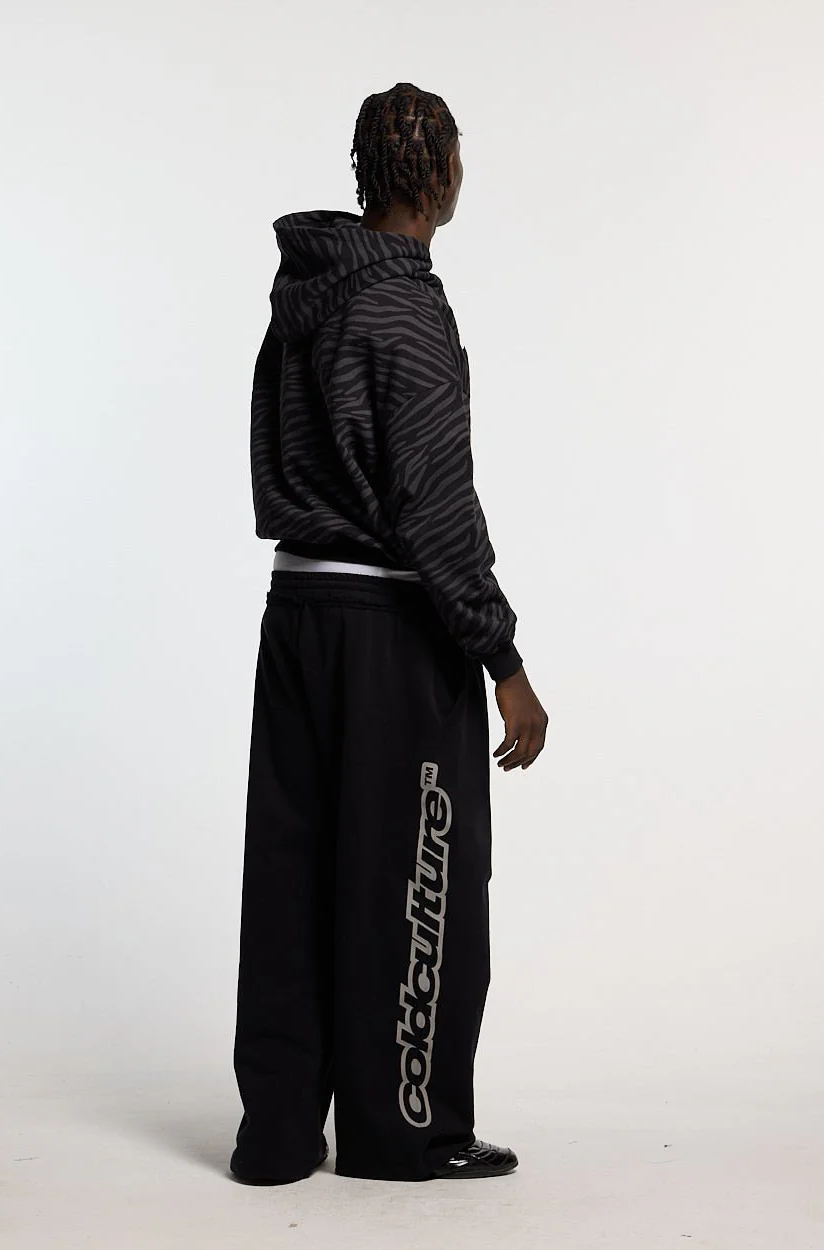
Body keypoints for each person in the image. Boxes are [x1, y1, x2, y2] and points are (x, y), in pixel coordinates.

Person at [229, 82, 548, 1185]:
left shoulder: (304, 293)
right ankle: (403, 1129)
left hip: (298, 610)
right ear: (440, 173)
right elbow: (433, 501)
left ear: (366, 170)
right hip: (390, 627)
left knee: (292, 870)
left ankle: (276, 1136)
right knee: (418, 872)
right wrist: (502, 657)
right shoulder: (404, 305)